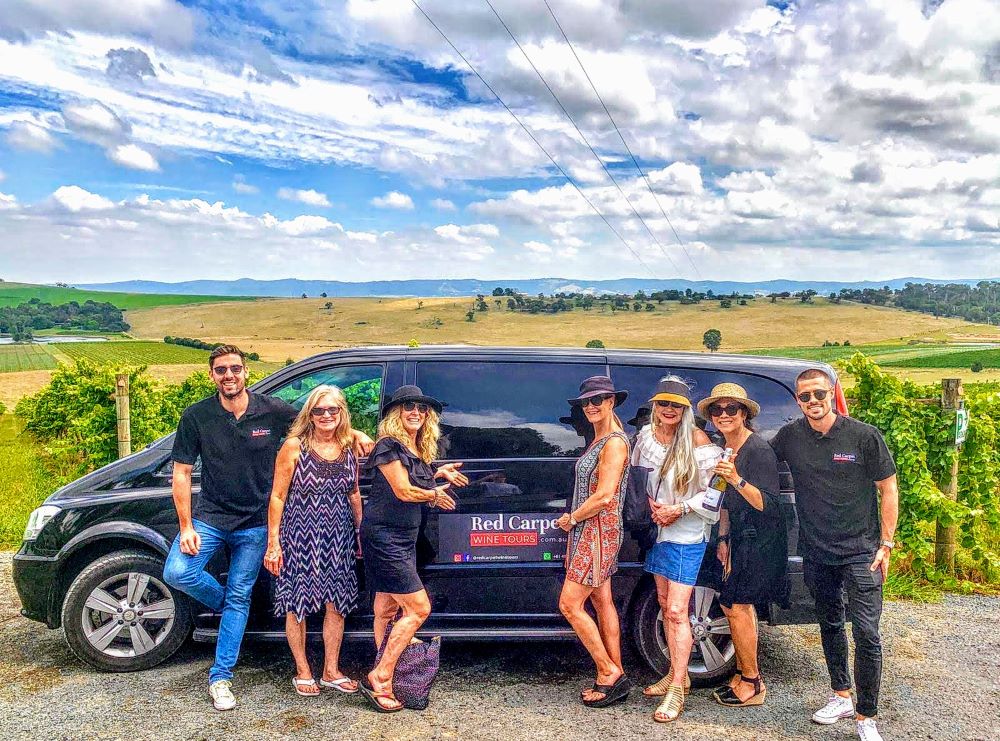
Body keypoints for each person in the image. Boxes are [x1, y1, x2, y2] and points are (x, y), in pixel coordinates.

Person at [163, 345, 372, 711]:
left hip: (256, 524)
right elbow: (181, 472)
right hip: (210, 517)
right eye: (221, 370)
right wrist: (186, 525)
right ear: (212, 375)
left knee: (241, 596)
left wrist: (355, 433)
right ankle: (233, 607)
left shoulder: (271, 409)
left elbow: (318, 420)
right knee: (178, 572)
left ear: (246, 372)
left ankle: (220, 677)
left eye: (235, 368)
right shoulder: (197, 415)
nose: (229, 375)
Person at [771, 369, 898, 741]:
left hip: (862, 552)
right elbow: (755, 455)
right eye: (805, 396)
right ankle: (841, 696)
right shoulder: (790, 436)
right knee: (829, 624)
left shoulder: (863, 435)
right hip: (816, 551)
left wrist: (886, 544)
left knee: (867, 634)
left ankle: (866, 717)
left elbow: (888, 488)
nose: (813, 401)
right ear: (798, 401)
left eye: (819, 394)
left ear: (831, 394)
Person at [359, 385, 468, 712]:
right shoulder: (388, 445)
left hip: (404, 538)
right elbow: (404, 490)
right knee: (419, 609)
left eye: (422, 408)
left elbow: (416, 478)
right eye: (408, 406)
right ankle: (381, 676)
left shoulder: (415, 449)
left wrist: (437, 473)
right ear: (396, 412)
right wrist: (434, 493)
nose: (416, 412)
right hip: (385, 537)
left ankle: (388, 673)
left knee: (385, 609)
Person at [633, 377, 724, 723]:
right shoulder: (646, 437)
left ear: (685, 409)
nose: (668, 409)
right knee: (662, 602)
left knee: (675, 610)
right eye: (663, 403)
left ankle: (677, 690)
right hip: (658, 532)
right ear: (655, 406)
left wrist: (679, 509)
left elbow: (715, 493)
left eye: (675, 405)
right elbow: (638, 479)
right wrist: (651, 505)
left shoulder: (699, 441)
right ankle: (677, 674)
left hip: (687, 534)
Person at [264, 385, 363, 697]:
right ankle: (303, 670)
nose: (326, 415)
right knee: (298, 604)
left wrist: (360, 533)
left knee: (338, 603)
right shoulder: (295, 447)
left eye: (333, 409)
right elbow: (277, 497)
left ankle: (331, 671)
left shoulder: (348, 447)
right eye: (319, 410)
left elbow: (354, 493)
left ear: (342, 413)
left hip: (339, 536)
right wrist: (273, 543)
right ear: (310, 414)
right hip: (299, 536)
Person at [697, 383, 787, 709]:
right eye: (717, 410)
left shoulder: (757, 450)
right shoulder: (727, 447)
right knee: (730, 606)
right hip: (738, 536)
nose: (723, 415)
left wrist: (736, 478)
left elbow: (768, 504)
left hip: (760, 539)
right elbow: (723, 499)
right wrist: (723, 538)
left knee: (738, 606)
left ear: (744, 413)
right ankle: (742, 673)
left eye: (731, 408)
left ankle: (753, 682)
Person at [557, 375, 632, 708]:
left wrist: (572, 518)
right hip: (592, 531)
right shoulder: (600, 438)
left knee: (570, 605)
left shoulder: (613, 443)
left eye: (597, 400)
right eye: (586, 402)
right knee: (602, 602)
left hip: (597, 532)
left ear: (611, 402)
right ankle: (618, 672)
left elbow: (604, 497)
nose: (590, 406)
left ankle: (607, 672)